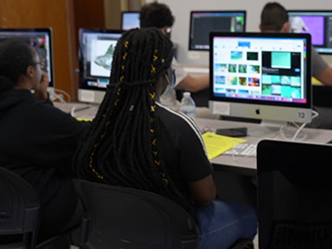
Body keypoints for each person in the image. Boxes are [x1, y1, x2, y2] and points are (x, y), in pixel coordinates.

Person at [74, 28, 257, 249]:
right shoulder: (178, 127)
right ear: (163, 75)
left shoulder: (99, 126)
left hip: (113, 237)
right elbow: (205, 197)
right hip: (175, 239)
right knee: (248, 213)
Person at [0, 40, 88, 244]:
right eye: (39, 64)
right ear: (30, 71)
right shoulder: (32, 114)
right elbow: (87, 137)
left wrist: (41, 99)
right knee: (92, 190)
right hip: (28, 219)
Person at [259, 2, 332, 129]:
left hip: (257, 116)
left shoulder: (254, 44)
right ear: (286, 26)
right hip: (296, 118)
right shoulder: (299, 46)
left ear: (260, 26)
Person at [139, 2, 209, 111]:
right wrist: (218, 76)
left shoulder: (136, 51)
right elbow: (194, 86)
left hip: (149, 113)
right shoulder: (162, 54)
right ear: (162, 30)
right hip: (169, 112)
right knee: (212, 113)